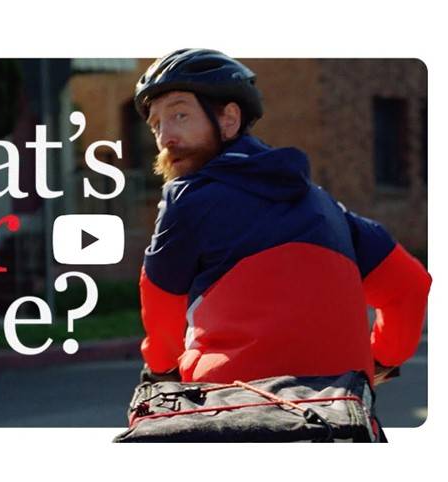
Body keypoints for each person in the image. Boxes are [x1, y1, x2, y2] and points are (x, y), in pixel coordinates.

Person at [134, 49, 431, 389]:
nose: (165, 137)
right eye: (156, 124)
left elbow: (161, 312)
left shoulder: (187, 198)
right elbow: (410, 286)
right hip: (340, 410)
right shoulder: (321, 203)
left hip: (231, 405)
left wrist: (162, 371)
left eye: (180, 115)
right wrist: (376, 363)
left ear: (229, 119)